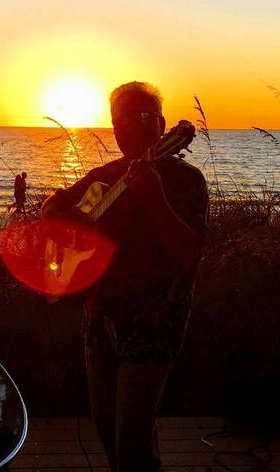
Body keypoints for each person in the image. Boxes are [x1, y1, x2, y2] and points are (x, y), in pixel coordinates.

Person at [41, 81, 209, 472]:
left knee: (132, 440)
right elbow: (58, 204)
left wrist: (155, 200)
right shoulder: (104, 177)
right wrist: (55, 218)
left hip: (153, 321)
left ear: (165, 127)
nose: (130, 127)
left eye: (143, 117)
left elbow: (190, 254)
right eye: (121, 120)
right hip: (101, 316)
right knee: (106, 429)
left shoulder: (186, 180)